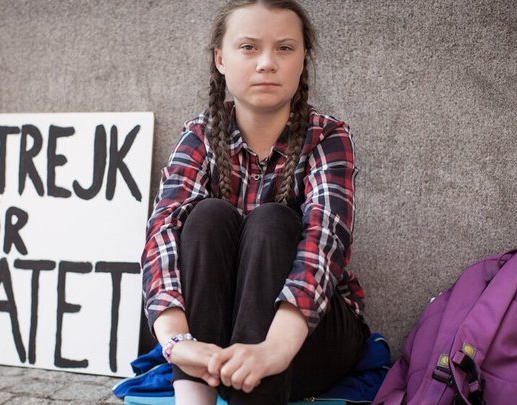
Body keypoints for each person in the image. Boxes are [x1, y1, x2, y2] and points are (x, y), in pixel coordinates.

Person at [141, 1, 370, 403]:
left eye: (284, 48)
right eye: (248, 47)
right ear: (221, 59)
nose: (267, 63)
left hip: (303, 339)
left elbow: (325, 241)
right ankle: (193, 398)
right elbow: (162, 233)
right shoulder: (199, 134)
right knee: (207, 216)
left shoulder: (327, 136)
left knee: (272, 221)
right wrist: (178, 342)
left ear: (303, 59)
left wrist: (272, 350)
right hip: (216, 341)